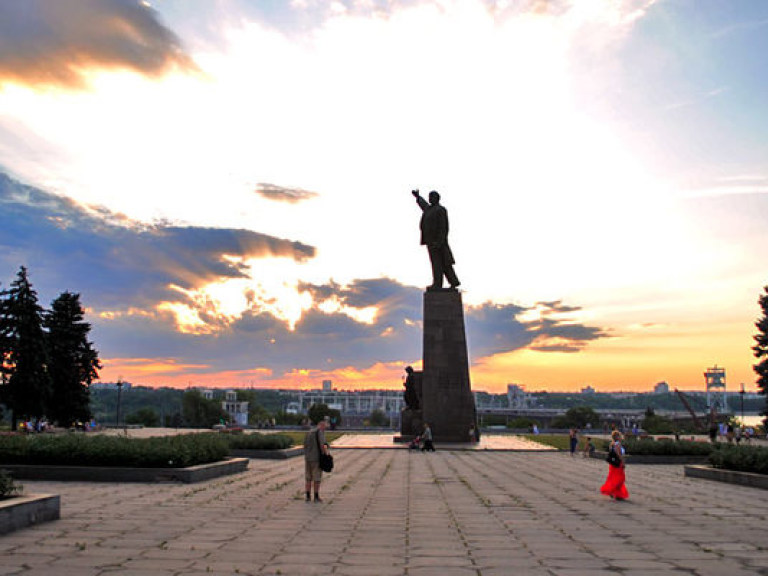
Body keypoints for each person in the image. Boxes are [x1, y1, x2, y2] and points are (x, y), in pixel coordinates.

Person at [412, 189, 460, 290]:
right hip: (430, 242)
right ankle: (441, 282)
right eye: (429, 197)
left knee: (444, 263)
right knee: (436, 264)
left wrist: (439, 241)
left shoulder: (440, 210)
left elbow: (444, 227)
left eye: (431, 197)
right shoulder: (429, 209)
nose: (429, 199)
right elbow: (423, 205)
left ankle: (449, 282)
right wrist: (418, 197)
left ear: (437, 198)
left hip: (438, 242)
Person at [303, 419, 330, 502]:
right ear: (321, 425)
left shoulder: (309, 432)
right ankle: (316, 496)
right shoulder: (320, 432)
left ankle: (307, 496)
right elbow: (323, 445)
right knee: (317, 478)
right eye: (325, 427)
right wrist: (326, 453)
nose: (325, 429)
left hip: (308, 458)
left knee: (308, 477)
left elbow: (304, 445)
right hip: (316, 458)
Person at [600, 430, 629, 500]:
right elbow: (619, 454)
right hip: (618, 463)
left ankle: (615, 492)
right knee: (619, 479)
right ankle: (615, 493)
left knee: (613, 477)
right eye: (619, 436)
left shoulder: (612, 444)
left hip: (613, 464)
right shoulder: (617, 444)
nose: (621, 437)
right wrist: (623, 462)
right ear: (617, 437)